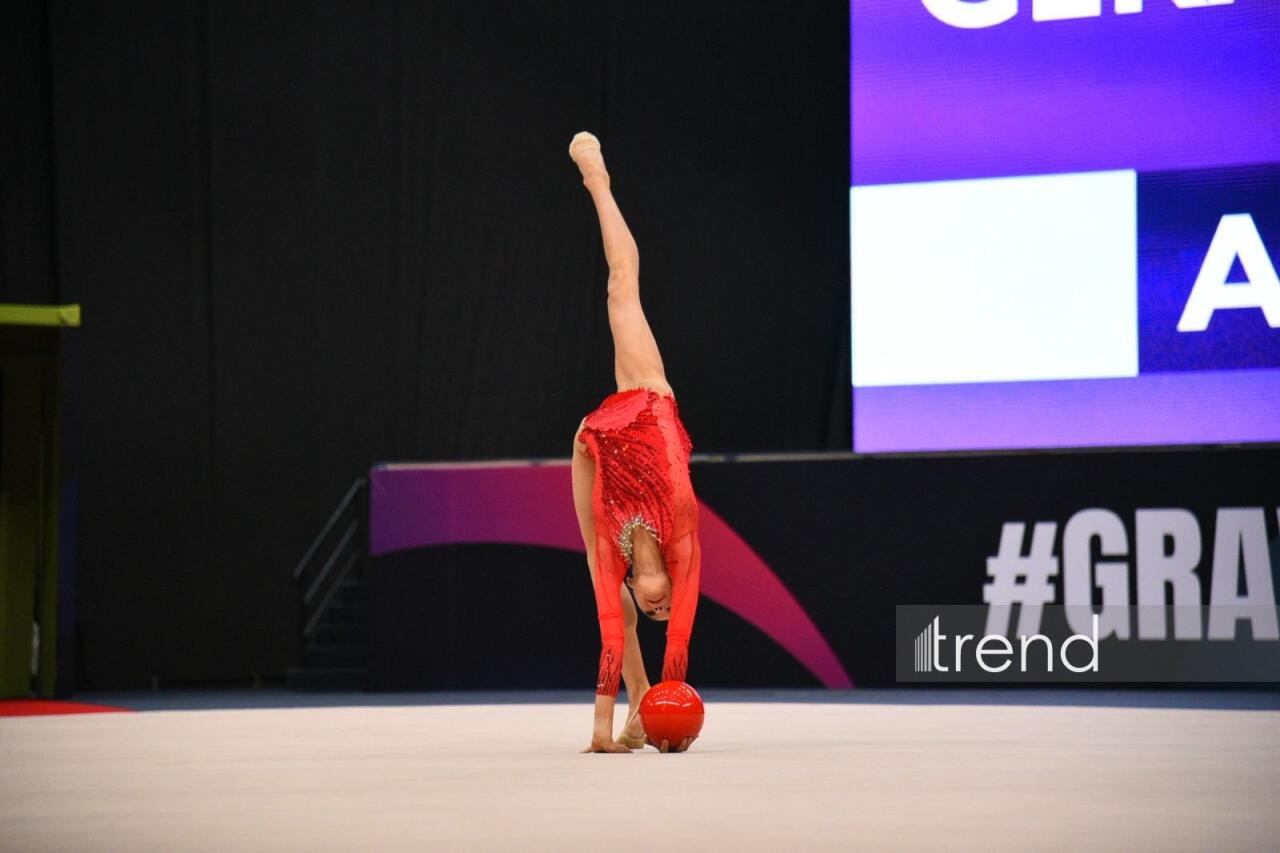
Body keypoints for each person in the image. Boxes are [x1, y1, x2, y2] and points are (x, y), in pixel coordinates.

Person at [568, 131, 702, 754]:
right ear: (673, 583)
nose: (659, 610)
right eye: (664, 607)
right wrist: (674, 691)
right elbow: (680, 640)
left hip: (593, 442)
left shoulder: (618, 552)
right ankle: (598, 182)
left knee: (598, 572)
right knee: (622, 286)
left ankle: (638, 707)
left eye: (654, 612)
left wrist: (596, 734)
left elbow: (610, 631)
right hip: (647, 399)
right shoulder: (682, 537)